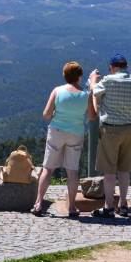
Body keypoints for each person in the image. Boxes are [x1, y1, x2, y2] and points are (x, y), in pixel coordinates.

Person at [32, 61, 96, 217]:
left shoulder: (57, 91)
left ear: (64, 76)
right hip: (76, 133)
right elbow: (92, 116)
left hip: (56, 131)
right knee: (72, 172)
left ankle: (39, 203)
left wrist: (57, 115)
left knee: (48, 169)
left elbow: (46, 115)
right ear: (79, 76)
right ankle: (72, 207)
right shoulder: (85, 95)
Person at [88, 53, 131, 218]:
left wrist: (93, 80)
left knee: (110, 171)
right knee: (124, 170)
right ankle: (123, 205)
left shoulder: (109, 81)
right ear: (125, 66)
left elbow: (94, 91)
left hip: (111, 129)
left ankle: (109, 207)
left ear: (112, 67)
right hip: (130, 128)